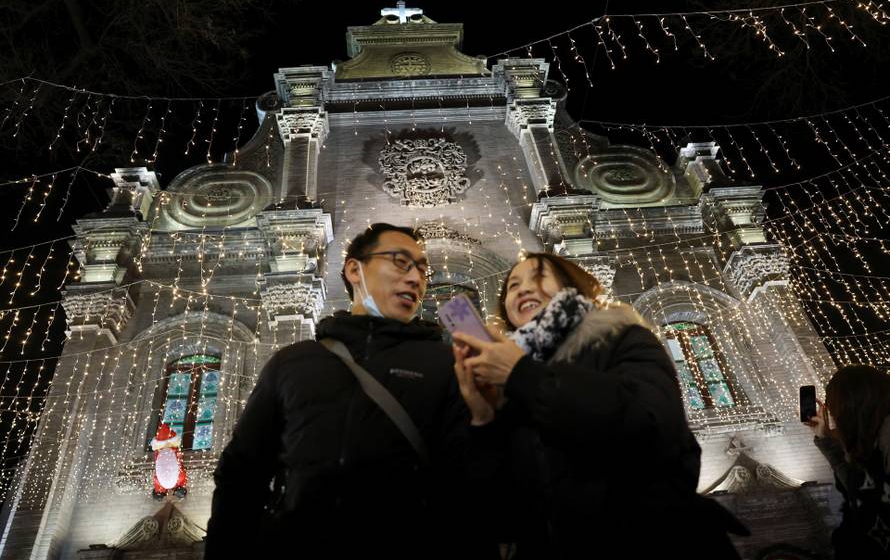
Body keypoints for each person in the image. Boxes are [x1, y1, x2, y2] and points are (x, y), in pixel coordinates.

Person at [206, 223, 496, 559]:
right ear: (354, 270)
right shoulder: (294, 362)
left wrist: (489, 414)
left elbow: (466, 489)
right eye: (401, 262)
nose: (416, 278)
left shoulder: (446, 364)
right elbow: (242, 474)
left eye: (422, 269)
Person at [453, 252, 747, 559]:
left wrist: (522, 374)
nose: (523, 288)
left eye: (538, 276)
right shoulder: (509, 386)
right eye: (513, 285)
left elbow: (650, 424)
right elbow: (499, 512)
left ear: (571, 285)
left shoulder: (621, 338)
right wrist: (483, 418)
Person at [805, 365, 890, 559]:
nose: (836, 417)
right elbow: (859, 486)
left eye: (836, 409)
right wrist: (824, 437)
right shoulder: (873, 438)